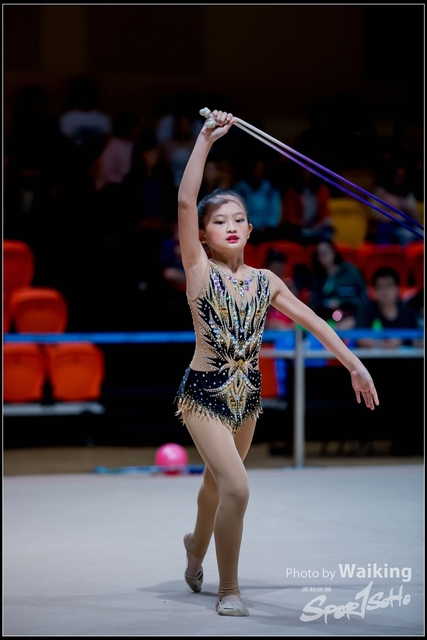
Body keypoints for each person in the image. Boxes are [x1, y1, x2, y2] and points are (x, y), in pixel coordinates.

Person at [174, 109, 379, 617]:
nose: (230, 226)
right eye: (218, 221)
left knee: (215, 484)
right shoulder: (199, 270)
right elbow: (185, 200)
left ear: (250, 228)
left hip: (247, 399)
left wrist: (353, 363)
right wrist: (206, 139)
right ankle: (229, 589)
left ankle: (195, 548)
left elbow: (315, 322)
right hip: (203, 395)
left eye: (237, 219)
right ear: (202, 234)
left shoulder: (266, 281)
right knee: (237, 487)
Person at [308, 239, 369, 330]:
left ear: (333, 252)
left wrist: (341, 302)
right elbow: (312, 302)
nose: (323, 257)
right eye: (320, 254)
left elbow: (363, 297)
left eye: (326, 252)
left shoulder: (350, 272)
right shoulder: (317, 276)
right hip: (324, 321)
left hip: (351, 318)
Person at [355, 267, 420, 348]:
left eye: (388, 286)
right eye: (380, 287)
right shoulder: (366, 310)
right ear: (374, 291)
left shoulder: (408, 312)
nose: (384, 291)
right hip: (376, 356)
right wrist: (385, 345)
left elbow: (417, 339)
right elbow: (361, 339)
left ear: (397, 289)